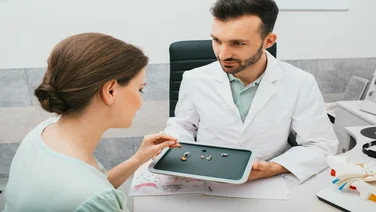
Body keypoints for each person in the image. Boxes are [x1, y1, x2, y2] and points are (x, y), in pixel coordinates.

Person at [164, 0, 338, 183]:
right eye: (217, 40)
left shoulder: (300, 82)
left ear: (268, 41)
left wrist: (273, 168)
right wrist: (173, 149)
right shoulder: (194, 78)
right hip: (205, 177)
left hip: (269, 180)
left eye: (237, 43)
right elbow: (183, 125)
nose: (222, 54)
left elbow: (320, 145)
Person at [4, 32, 179, 212]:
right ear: (110, 91)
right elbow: (93, 197)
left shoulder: (42, 133)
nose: (141, 101)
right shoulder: (91, 196)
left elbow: (95, 191)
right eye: (140, 89)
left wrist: (137, 159)